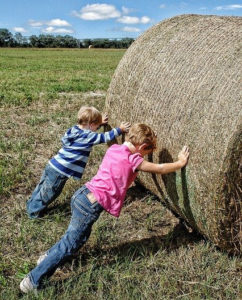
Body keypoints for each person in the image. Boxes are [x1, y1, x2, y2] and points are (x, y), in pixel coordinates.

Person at [20, 123, 189, 293]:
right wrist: (180, 163)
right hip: (90, 205)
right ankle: (33, 280)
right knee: (71, 243)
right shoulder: (133, 160)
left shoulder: (114, 148)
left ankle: (48, 257)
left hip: (82, 195)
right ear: (143, 147)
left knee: (78, 238)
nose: (147, 156)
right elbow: (159, 169)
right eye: (148, 152)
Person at [26, 106, 130, 219]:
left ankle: (31, 205)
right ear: (91, 124)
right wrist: (120, 129)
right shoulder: (88, 136)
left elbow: (83, 133)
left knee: (42, 187)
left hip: (53, 164)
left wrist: (99, 123)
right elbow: (104, 137)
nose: (97, 128)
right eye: (96, 126)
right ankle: (34, 214)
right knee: (50, 192)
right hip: (60, 171)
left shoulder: (74, 129)